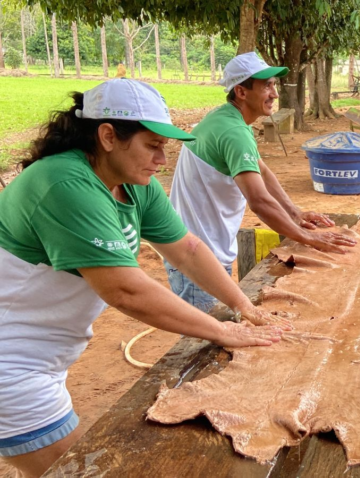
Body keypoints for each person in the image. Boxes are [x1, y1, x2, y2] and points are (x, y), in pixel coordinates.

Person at [0, 79, 289, 478]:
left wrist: (243, 306)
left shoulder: (134, 186)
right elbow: (124, 290)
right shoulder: (66, 184)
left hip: (44, 356)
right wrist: (223, 331)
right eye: (153, 145)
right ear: (107, 136)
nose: (163, 159)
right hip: (11, 364)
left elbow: (187, 249)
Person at [168, 52, 356, 312]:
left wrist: (294, 212)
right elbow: (258, 201)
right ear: (241, 92)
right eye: (266, 86)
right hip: (196, 256)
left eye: (274, 85)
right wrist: (310, 239)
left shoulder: (227, 120)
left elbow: (262, 170)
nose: (275, 94)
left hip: (200, 248)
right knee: (202, 340)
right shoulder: (234, 132)